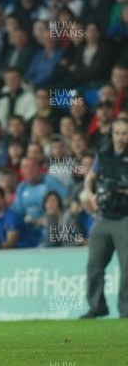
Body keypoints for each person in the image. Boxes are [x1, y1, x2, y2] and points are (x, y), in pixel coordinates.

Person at [81, 118, 128, 318]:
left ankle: (125, 309)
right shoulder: (104, 154)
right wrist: (90, 195)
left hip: (125, 217)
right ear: (112, 134)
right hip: (104, 216)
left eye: (125, 133)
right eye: (117, 133)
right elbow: (89, 178)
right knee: (94, 265)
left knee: (127, 267)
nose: (121, 137)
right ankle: (97, 305)